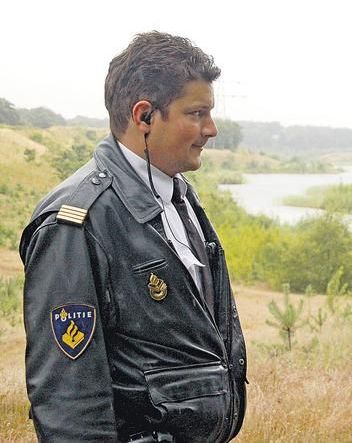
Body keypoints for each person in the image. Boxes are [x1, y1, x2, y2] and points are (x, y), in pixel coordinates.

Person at [20, 31, 247, 442]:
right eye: (196, 113)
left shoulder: (178, 195)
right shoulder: (76, 223)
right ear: (144, 117)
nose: (211, 129)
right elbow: (68, 398)